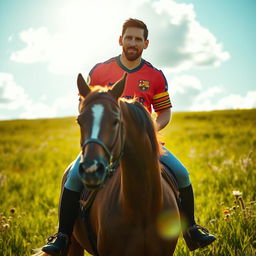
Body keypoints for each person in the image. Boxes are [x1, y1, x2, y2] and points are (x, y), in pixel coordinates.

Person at [42, 18, 216, 255]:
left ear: (146, 43)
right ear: (120, 40)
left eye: (137, 39)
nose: (132, 43)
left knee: (182, 175)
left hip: (145, 146)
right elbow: (88, 106)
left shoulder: (155, 76)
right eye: (128, 38)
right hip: (105, 143)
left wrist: (149, 132)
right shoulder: (100, 70)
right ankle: (63, 236)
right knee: (72, 178)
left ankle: (191, 230)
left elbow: (164, 112)